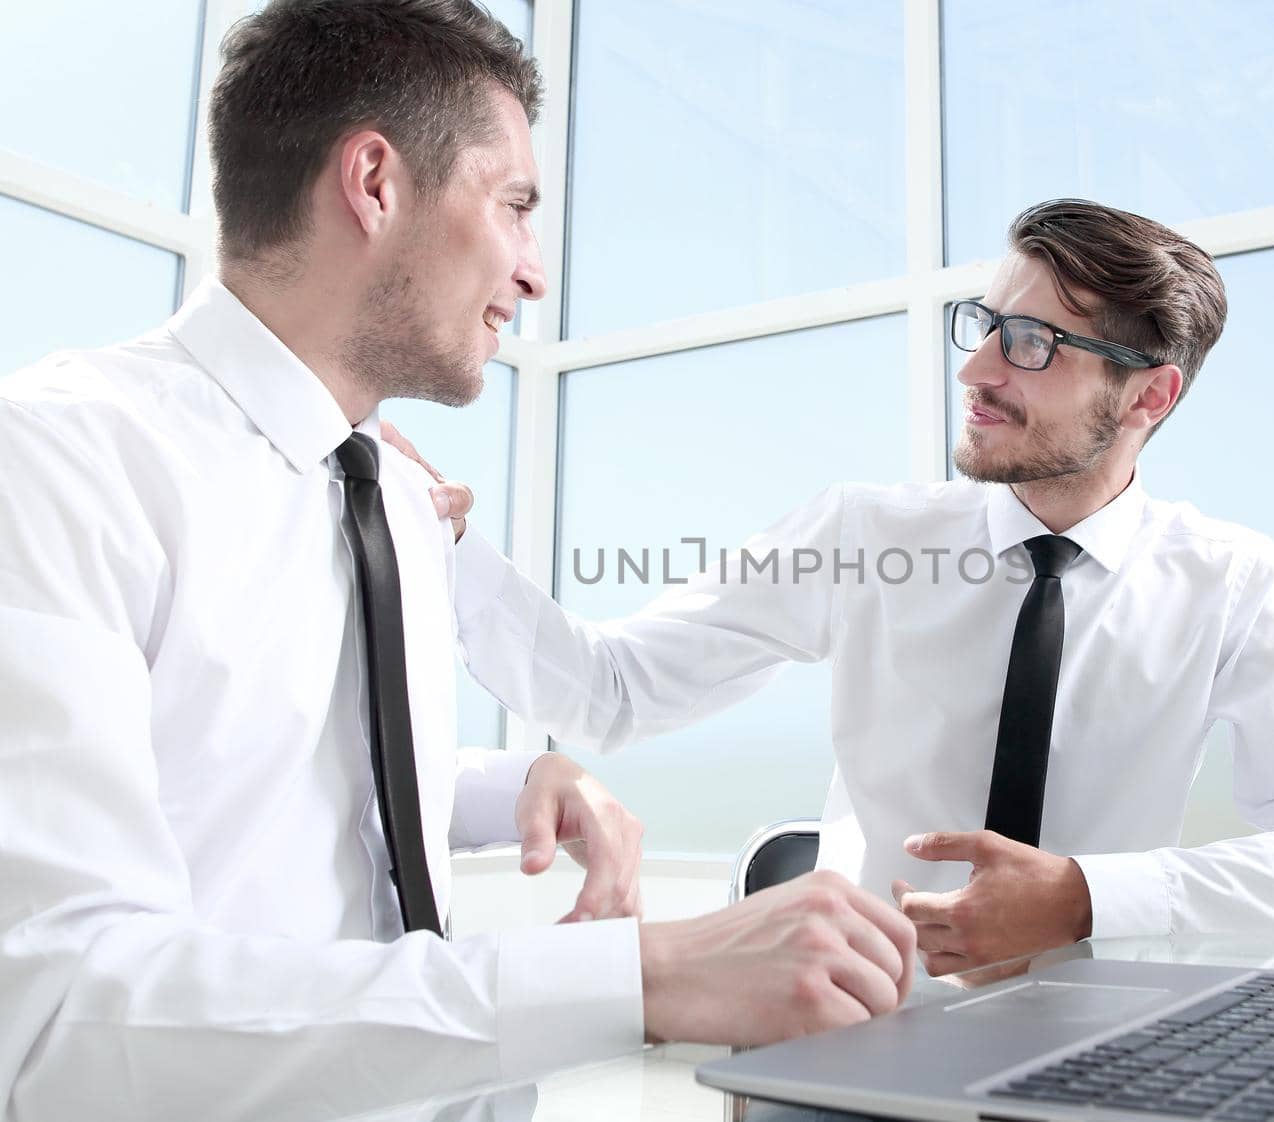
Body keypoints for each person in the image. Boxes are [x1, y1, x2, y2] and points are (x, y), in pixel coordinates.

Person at [0, 2, 915, 1119]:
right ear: (376, 185)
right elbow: (55, 1016)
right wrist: (649, 974)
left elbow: (279, 765)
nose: (533, 276)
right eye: (516, 207)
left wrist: (507, 786)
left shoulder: (390, 492)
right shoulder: (52, 464)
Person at [413, 197, 1274, 979]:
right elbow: (610, 691)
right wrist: (453, 549)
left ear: (1148, 394)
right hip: (859, 1021)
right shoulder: (863, 535)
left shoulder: (1234, 584)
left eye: (1031, 344)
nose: (977, 370)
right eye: (985, 326)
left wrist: (1084, 896)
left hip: (1095, 1049)